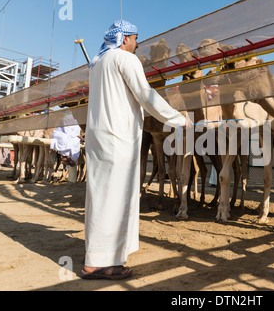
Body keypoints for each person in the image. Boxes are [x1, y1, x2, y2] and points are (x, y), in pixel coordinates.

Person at [82, 20, 192, 280]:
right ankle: (100, 263)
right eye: (134, 39)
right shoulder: (125, 59)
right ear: (123, 39)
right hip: (118, 139)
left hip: (99, 140)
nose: (137, 44)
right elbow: (146, 95)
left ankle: (98, 256)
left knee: (100, 198)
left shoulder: (97, 63)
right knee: (115, 200)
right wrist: (179, 119)